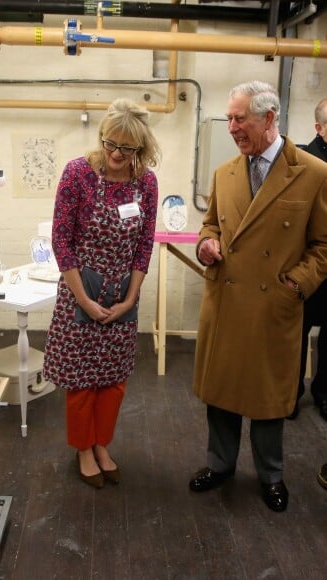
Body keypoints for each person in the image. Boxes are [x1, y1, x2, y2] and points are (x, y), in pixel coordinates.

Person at [188, 81, 327, 512]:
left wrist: (294, 286)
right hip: (226, 302)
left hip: (274, 305)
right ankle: (220, 464)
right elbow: (210, 225)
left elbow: (323, 246)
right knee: (222, 393)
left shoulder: (313, 172)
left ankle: (271, 475)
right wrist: (205, 244)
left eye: (238, 118)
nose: (230, 127)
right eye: (229, 118)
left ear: (269, 119)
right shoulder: (224, 172)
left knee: (269, 400)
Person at [42, 98, 160, 488]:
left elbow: (145, 244)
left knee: (113, 381)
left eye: (127, 148)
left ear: (139, 149)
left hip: (124, 294)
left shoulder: (147, 182)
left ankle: (102, 444)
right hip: (82, 291)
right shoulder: (78, 174)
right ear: (102, 136)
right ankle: (83, 448)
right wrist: (85, 300)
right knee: (80, 382)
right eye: (111, 143)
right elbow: (62, 241)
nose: (115, 153)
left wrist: (129, 298)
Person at [289, 97, 327, 421]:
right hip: (309, 262)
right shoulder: (303, 160)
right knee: (296, 332)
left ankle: (324, 393)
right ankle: (291, 394)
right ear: (319, 128)